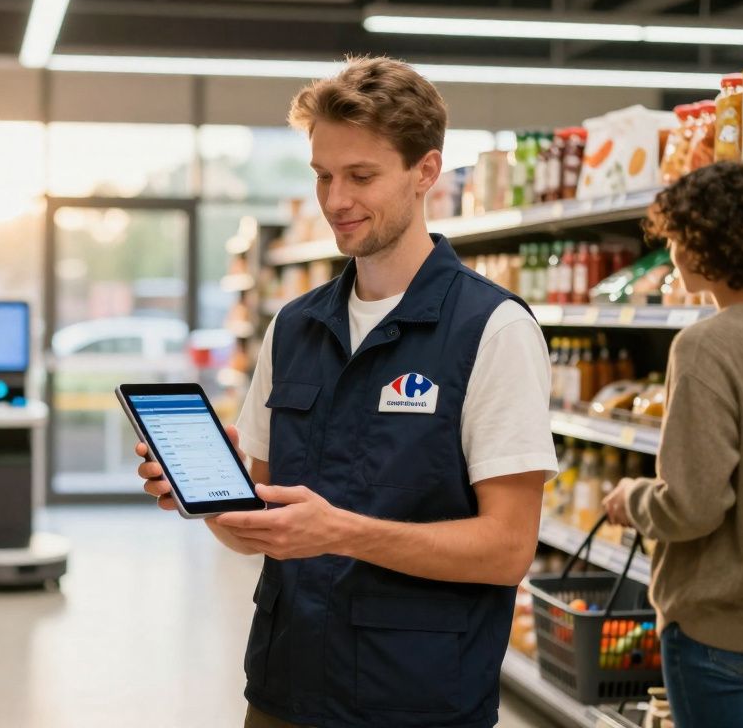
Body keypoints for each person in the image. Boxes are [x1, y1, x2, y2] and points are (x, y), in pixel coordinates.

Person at [135, 56, 557, 728]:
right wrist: (208, 499)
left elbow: (507, 550)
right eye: (324, 176)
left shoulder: (492, 331)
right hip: (283, 692)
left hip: (416, 703)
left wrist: (340, 533)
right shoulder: (294, 327)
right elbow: (263, 531)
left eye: (361, 176)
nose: (335, 201)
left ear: (425, 172)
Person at [602, 161, 743, 728]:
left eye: (675, 238)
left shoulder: (704, 347)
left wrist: (632, 499)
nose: (671, 253)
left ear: (703, 242)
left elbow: (692, 505)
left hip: (714, 624)